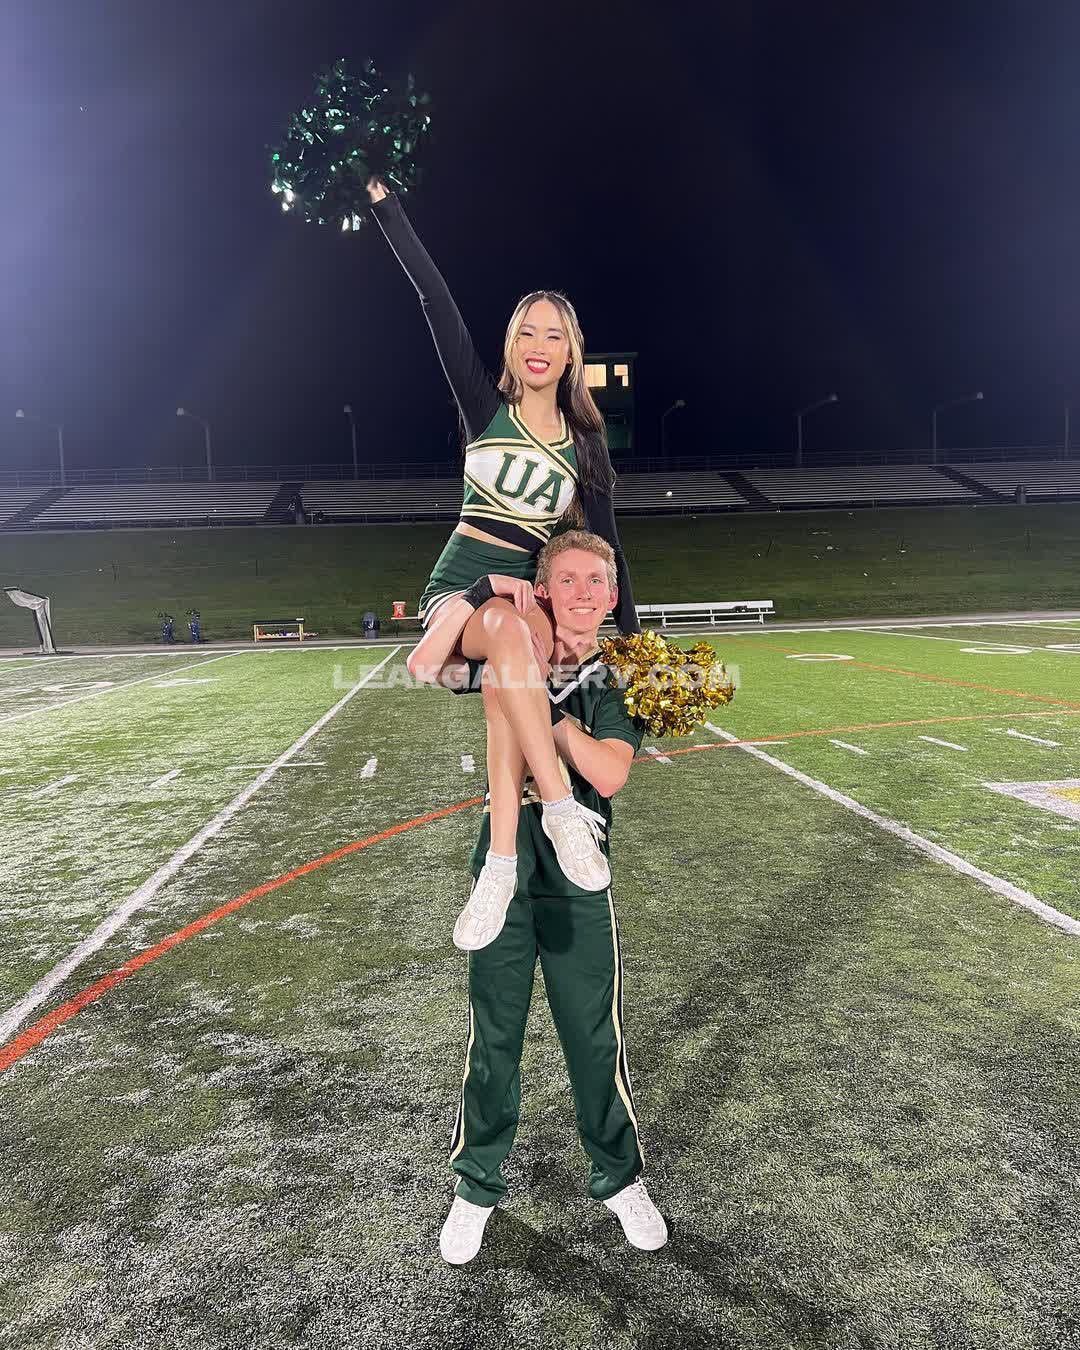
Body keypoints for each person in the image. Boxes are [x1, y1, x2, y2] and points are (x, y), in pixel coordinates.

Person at [366, 177, 641, 941]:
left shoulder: (584, 446)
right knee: (510, 643)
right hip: (462, 586)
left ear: (571, 351)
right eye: (527, 333)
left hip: (520, 595)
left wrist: (634, 641)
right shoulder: (485, 409)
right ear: (512, 348)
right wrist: (387, 206)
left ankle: (499, 866)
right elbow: (435, 301)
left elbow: (610, 550)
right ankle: (558, 808)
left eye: (554, 335)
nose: (539, 346)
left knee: (511, 672)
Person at [414, 528, 668, 1264]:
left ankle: (619, 1178)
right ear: (545, 590)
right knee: (493, 1036)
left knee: (593, 1035)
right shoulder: (514, 645)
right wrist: (486, 602)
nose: (583, 592)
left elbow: (610, 771)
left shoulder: (621, 678)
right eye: (568, 580)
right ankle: (475, 1187)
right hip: (505, 865)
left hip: (578, 872)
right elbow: (430, 665)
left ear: (613, 596)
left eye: (597, 581)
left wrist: (533, 707)